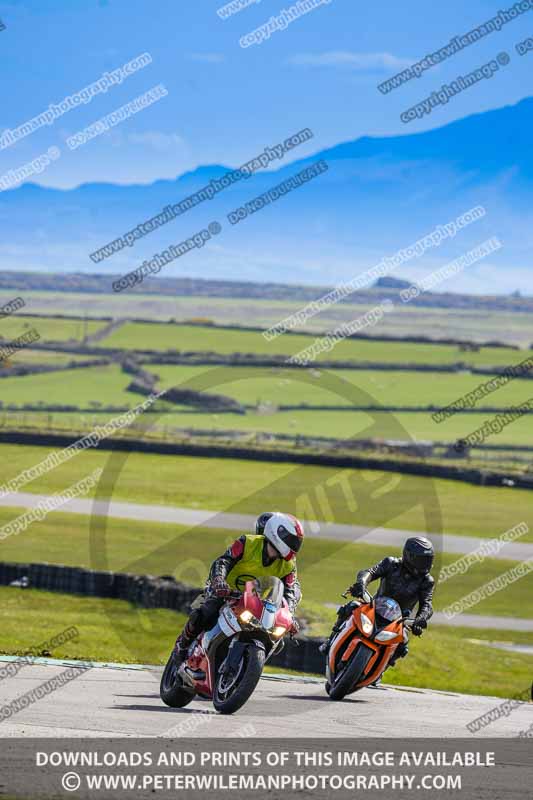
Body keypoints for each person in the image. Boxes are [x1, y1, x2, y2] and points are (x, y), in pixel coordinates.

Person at [172, 512, 304, 665]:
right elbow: (223, 561)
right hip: (225, 591)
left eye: (297, 543)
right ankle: (182, 646)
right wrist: (219, 580)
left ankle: (245, 665)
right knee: (206, 611)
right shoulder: (247, 542)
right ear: (277, 532)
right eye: (292, 541)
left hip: (255, 601)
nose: (294, 547)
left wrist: (289, 615)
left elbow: (290, 590)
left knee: (276, 638)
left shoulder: (289, 565)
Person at [320, 536, 435, 670]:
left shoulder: (427, 581)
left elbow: (427, 604)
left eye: (428, 560)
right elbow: (370, 572)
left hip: (399, 619)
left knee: (403, 641)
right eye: (422, 560)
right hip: (375, 606)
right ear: (409, 556)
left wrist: (420, 619)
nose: (425, 564)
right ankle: (330, 641)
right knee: (352, 606)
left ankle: (383, 667)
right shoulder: (391, 563)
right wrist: (361, 583)